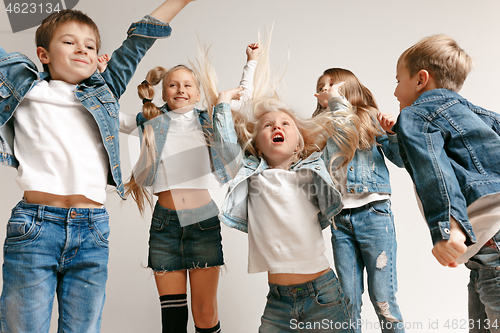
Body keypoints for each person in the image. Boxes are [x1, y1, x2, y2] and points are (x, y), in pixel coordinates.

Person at [0, 1, 194, 332]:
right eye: (69, 42)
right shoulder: (27, 90)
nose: (82, 50)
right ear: (43, 54)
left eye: (90, 46)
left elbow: (139, 40)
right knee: (23, 327)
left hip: (91, 231)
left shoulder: (104, 91)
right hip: (35, 227)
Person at [219, 38, 359, 333]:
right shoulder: (250, 175)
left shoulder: (311, 172)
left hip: (322, 295)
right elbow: (224, 146)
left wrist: (335, 98)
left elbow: (345, 135)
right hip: (278, 302)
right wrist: (222, 105)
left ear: (300, 144)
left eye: (285, 124)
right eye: (267, 126)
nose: (276, 127)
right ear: (257, 144)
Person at [123, 44, 260, 333]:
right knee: (172, 319)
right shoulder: (152, 122)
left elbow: (242, 97)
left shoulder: (210, 120)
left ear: (198, 93)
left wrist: (251, 61)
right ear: (163, 93)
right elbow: (110, 118)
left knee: (205, 312)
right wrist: (97, 76)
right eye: (173, 85)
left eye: (187, 85)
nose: (180, 89)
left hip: (202, 223)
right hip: (164, 225)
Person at [394, 34, 500, 331]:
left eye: (398, 80)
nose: (395, 91)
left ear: (420, 80)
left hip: (492, 244)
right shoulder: (480, 114)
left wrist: (449, 225)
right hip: (485, 253)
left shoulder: (415, 115)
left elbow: (434, 168)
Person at [313, 68, 405, 333]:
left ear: (347, 89)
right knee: (347, 300)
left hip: (374, 214)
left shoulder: (368, 117)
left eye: (332, 85)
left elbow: (399, 160)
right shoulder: (318, 126)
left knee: (383, 299)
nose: (325, 89)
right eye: (321, 86)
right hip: (339, 219)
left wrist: (392, 134)